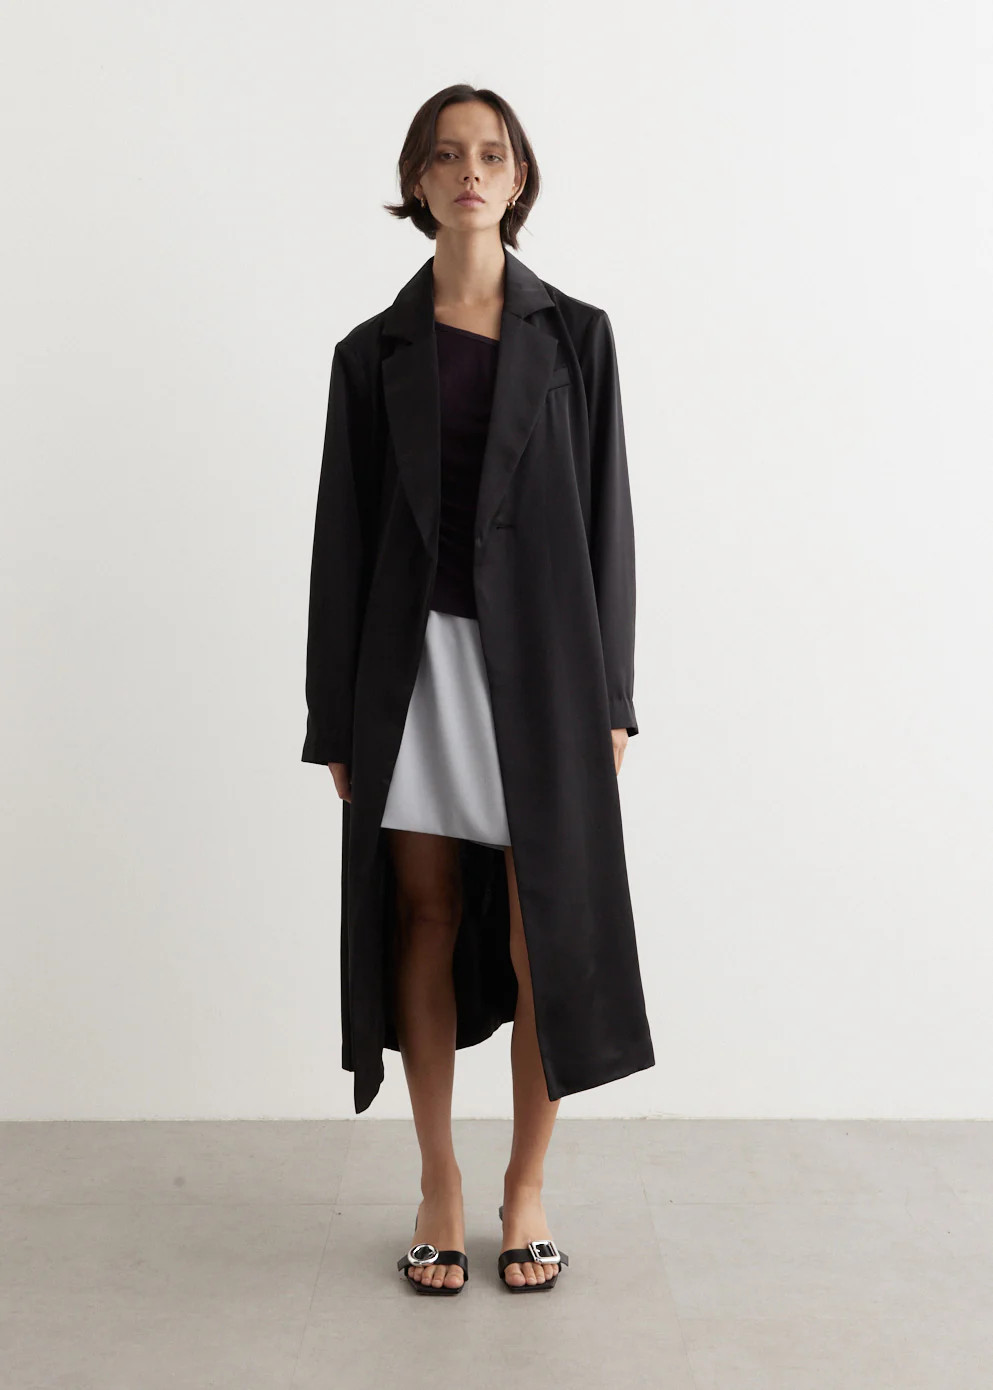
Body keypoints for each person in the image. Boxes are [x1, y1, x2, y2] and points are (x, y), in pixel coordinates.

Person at [301, 84, 655, 1296]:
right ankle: (440, 1182)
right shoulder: (370, 355)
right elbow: (341, 543)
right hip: (412, 671)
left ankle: (528, 1188)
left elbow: (608, 523)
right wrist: (333, 716)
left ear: (518, 179)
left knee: (540, 921)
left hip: (543, 671)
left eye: (490, 154)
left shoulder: (577, 338)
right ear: (417, 180)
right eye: (446, 154)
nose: (469, 171)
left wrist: (613, 695)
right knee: (425, 914)